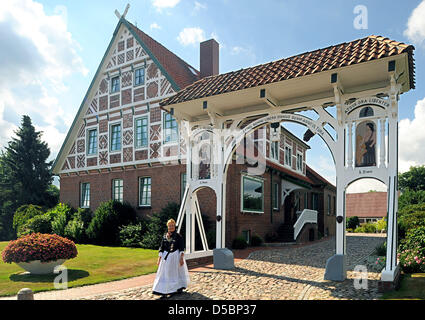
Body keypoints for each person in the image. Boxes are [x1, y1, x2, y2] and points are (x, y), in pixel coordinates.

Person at [152, 219, 190, 297]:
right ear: (168, 226)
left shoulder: (178, 236)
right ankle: (162, 290)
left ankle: (176, 288)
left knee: (174, 273)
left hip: (175, 257)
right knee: (164, 274)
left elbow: (181, 248)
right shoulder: (165, 236)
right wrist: (159, 258)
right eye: (170, 226)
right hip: (166, 257)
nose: (171, 227)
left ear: (174, 226)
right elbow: (161, 247)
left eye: (172, 225)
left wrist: (181, 258)